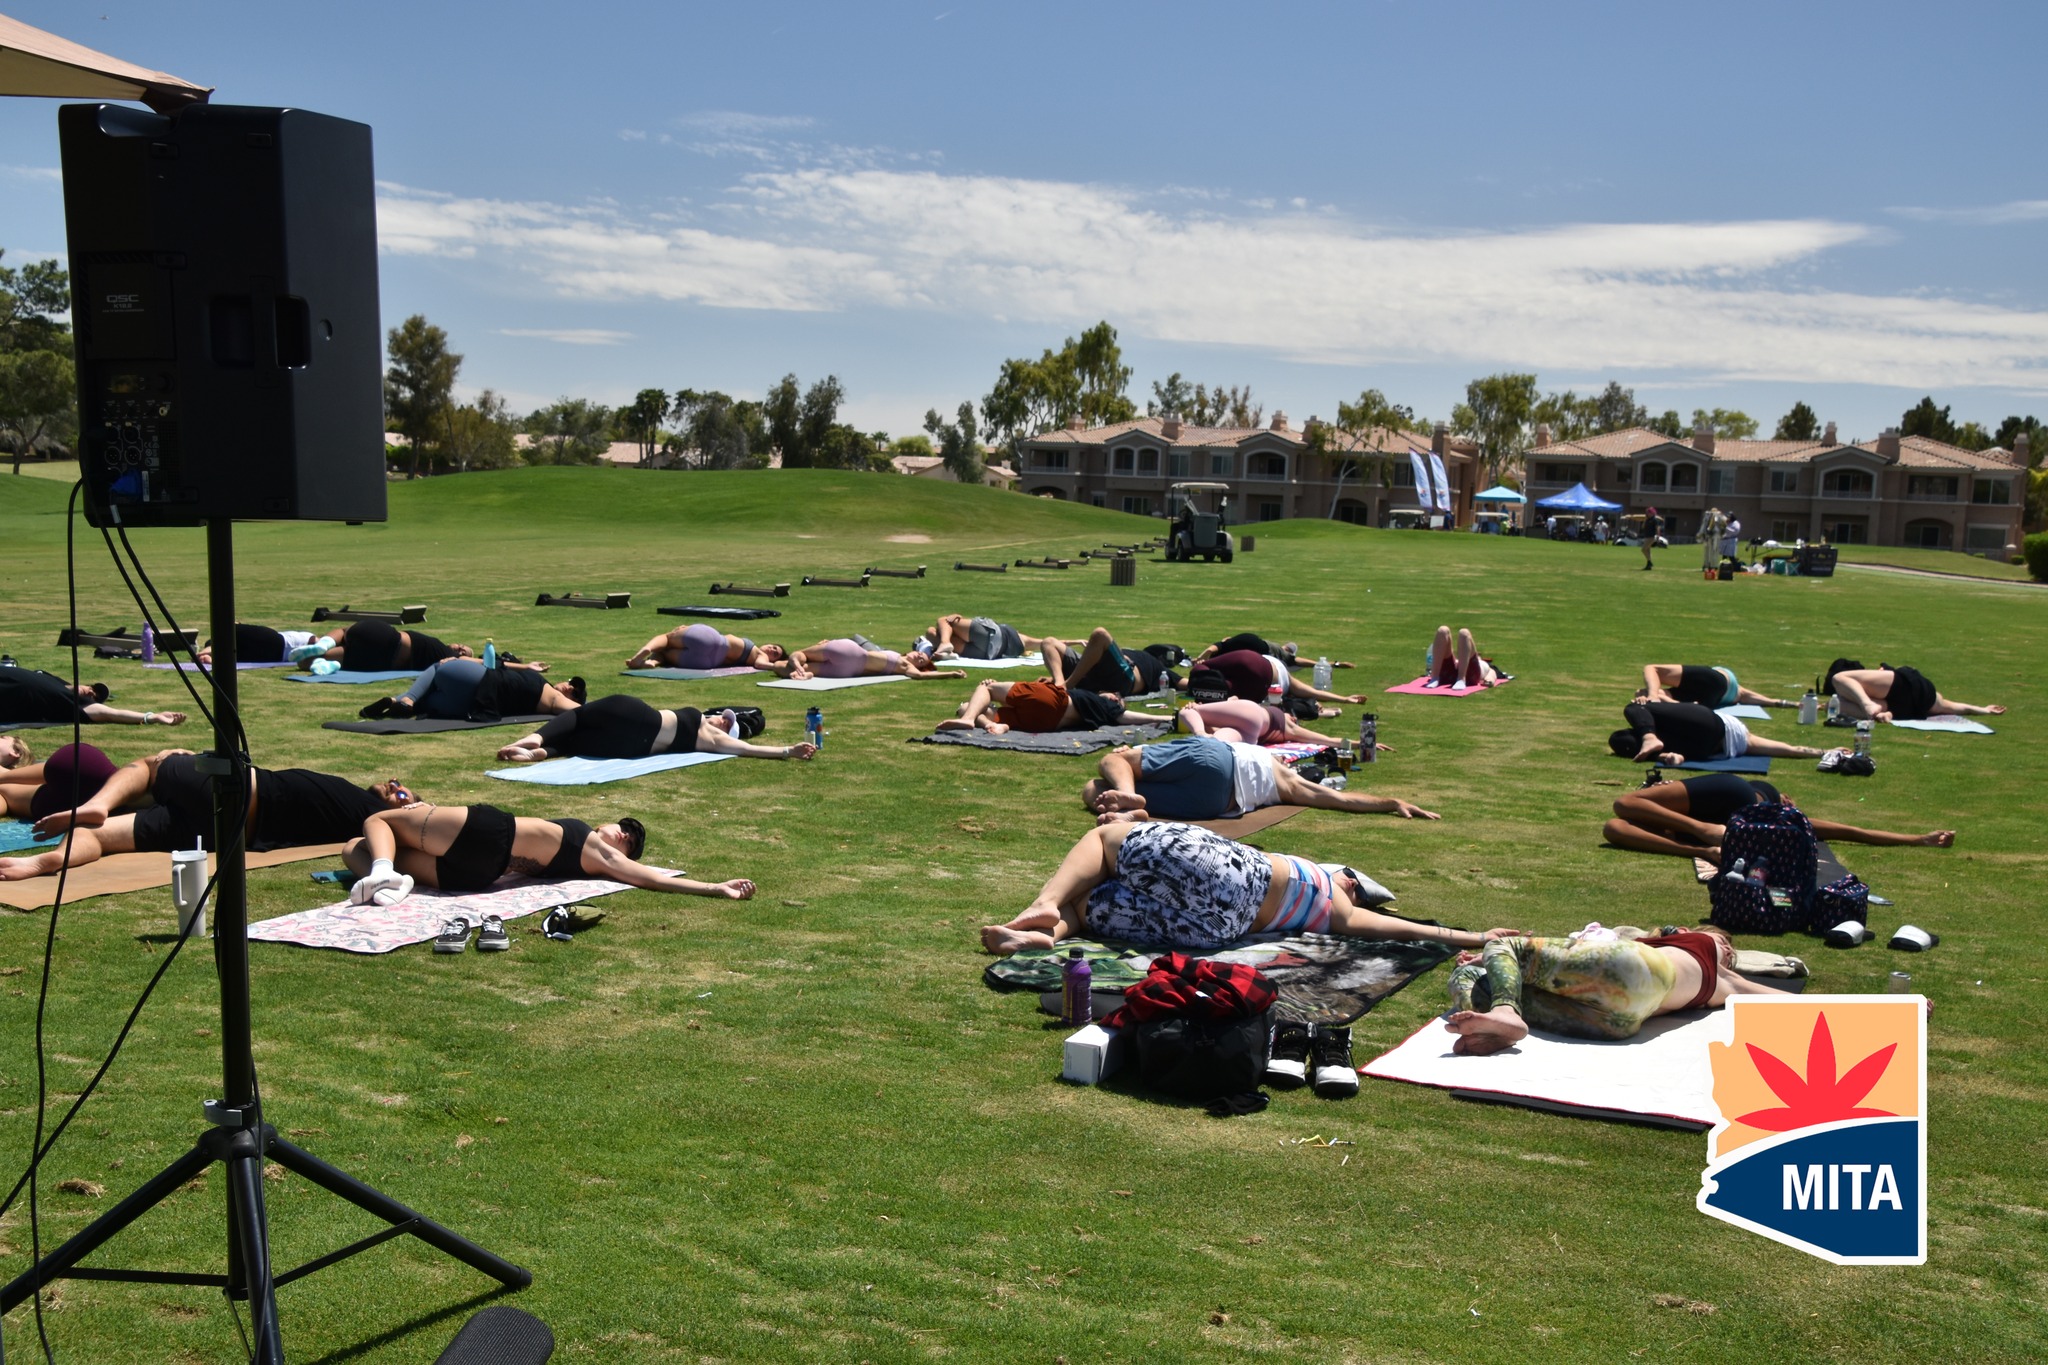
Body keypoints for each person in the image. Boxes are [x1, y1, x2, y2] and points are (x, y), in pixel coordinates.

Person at [979, 821, 1517, 955]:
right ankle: (1048, 934)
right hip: (1220, 930)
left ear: (1348, 878)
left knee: (1106, 839)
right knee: (1090, 905)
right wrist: (1470, 937)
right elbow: (1402, 930)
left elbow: (1397, 923)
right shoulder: (1335, 915)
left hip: (1238, 872)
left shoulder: (1329, 883)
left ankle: (1043, 905)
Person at [2, 749, 415, 880]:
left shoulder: (377, 813)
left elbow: (426, 819)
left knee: (153, 763)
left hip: (236, 790)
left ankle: (99, 804)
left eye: (400, 791)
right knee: (102, 836)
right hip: (226, 833)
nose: (392, 785)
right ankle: (49, 860)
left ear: (409, 807)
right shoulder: (359, 818)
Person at [1444, 925, 1796, 1055]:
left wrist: (1500, 956)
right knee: (1467, 976)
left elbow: (1588, 950)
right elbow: (1785, 1001)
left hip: (1639, 969)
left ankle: (1505, 1012)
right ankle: (1497, 1029)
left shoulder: (1692, 943)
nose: (1728, 948)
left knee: (1504, 945)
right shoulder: (1722, 985)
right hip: (1620, 1023)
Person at [345, 803, 754, 900]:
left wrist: (713, 887)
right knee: (352, 848)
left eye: (628, 841)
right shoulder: (587, 862)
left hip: (490, 832)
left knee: (379, 820)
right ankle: (389, 882)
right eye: (623, 829)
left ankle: (381, 872)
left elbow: (648, 877)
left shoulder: (597, 850)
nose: (621, 835)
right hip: (476, 875)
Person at [1602, 772, 1957, 865]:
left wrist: (1917, 838)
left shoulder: (1771, 807)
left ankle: (1703, 833)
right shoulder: (1780, 818)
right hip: (1742, 816)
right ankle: (1703, 849)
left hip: (1732, 797)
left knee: (1623, 805)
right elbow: (1849, 831)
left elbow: (1626, 802)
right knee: (1613, 827)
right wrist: (1917, 839)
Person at [1082, 735, 1437, 825]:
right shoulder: (1292, 787)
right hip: (1216, 803)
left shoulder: (1260, 752)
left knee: (1111, 762)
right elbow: (1342, 800)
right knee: (1094, 791)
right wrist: (1392, 802)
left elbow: (1209, 738)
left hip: (1216, 756)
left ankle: (1127, 794)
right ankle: (1130, 810)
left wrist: (1129, 755)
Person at [495, 694, 815, 763]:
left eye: (727, 723)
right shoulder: (707, 734)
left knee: (579, 716)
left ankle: (532, 738)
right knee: (573, 743)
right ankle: (538, 753)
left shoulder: (712, 737)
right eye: (724, 717)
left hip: (638, 719)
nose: (721, 718)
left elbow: (747, 749)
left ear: (726, 730)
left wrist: (787, 750)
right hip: (627, 749)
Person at [1609, 700, 1833, 767]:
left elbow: (1790, 750)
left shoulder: (1744, 740)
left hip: (1695, 748)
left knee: (1625, 731)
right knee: (1629, 718)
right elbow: (1790, 750)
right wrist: (1823, 751)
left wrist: (1824, 751)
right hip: (1706, 733)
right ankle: (1652, 742)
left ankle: (1657, 749)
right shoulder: (1745, 739)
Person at [361, 660, 585, 722]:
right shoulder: (536, 680)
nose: (570, 687)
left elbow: (580, 710)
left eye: (575, 692)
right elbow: (498, 663)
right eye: (571, 682)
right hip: (472, 706)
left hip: (481, 683)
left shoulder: (552, 696)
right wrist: (526, 666)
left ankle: (404, 699)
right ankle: (399, 703)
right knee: (428, 702)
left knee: (438, 668)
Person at [936, 679, 1152, 735]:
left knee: (988, 688)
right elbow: (1123, 717)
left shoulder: (1104, 702)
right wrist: (1164, 719)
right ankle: (989, 724)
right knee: (966, 706)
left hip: (1054, 700)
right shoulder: (1102, 712)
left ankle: (969, 720)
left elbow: (1125, 714)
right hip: (1047, 723)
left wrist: (1164, 719)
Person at [0, 666, 186, 729]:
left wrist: (152, 717)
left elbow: (110, 714)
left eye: (94, 697)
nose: (91, 692)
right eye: (92, 688)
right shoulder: (55, 680)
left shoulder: (71, 703)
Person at [1173, 697, 1374, 751]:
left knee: (1187, 711)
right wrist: (1364, 744)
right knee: (1215, 744)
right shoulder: (1290, 731)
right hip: (1251, 735)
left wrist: (1199, 709)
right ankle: (1202, 737)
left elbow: (1329, 740)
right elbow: (1329, 741)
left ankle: (1199, 732)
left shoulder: (1290, 726)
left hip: (1251, 713)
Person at [1186, 647, 1367, 707]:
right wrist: (1344, 699)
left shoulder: (1285, 675)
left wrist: (1344, 699)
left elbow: (1309, 692)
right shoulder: (1287, 683)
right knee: (1220, 695)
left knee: (1204, 679)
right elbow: (1310, 692)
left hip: (1253, 664)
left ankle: (1199, 690)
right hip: (1257, 671)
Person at [295, 621, 501, 673]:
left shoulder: (446, 653)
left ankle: (323, 643)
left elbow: (485, 663)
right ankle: (326, 662)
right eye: (462, 646)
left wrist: (514, 665)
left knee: (344, 630)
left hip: (383, 638)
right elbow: (486, 663)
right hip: (380, 660)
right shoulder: (440, 653)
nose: (461, 650)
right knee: (305, 662)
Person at [1825, 665, 2006, 723]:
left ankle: (1873, 707)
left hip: (1904, 702)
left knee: (1838, 683)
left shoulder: (1865, 683)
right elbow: (1952, 707)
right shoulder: (1933, 700)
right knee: (1836, 698)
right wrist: (1984, 710)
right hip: (1915, 702)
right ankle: (1878, 711)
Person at [1040, 629, 1175, 696]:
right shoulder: (1131, 652)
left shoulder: (1156, 665)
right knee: (1048, 642)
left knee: (1100, 634)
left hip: (1118, 679)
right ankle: (1059, 683)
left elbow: (1183, 683)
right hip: (1090, 674)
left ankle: (1067, 685)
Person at [777, 639, 964, 681]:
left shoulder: (905, 665)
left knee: (800, 654)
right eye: (920, 654)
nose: (918, 656)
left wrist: (951, 674)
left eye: (921, 661)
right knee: (781, 668)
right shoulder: (894, 656)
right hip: (846, 672)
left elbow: (920, 676)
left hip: (849, 653)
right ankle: (796, 670)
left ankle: (796, 664)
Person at [629, 624, 788, 672]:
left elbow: (760, 664)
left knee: (667, 638)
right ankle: (652, 662)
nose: (772, 650)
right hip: (706, 662)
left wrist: (776, 666)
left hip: (711, 640)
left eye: (775, 653)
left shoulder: (760, 655)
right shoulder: (752, 656)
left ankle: (646, 650)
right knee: (665, 653)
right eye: (774, 646)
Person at [1638, 664, 1793, 710]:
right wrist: (1779, 702)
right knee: (1644, 690)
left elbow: (1652, 669)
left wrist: (1653, 695)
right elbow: (1758, 698)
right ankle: (1660, 699)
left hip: (1708, 695)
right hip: (1713, 689)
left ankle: (1663, 699)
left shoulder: (1736, 693)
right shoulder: (1736, 692)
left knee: (1644, 689)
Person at [911, 615, 1061, 662]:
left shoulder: (1019, 638)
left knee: (942, 622)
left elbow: (1047, 643)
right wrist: (1072, 643)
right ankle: (945, 646)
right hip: (986, 654)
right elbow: (1048, 643)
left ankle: (944, 644)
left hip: (988, 638)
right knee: (934, 630)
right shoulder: (1021, 642)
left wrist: (957, 617)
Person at [1191, 634, 1353, 670]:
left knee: (1292, 661)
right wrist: (1200, 659)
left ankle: (1333, 664)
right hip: (1258, 645)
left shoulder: (1223, 648)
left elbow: (1210, 650)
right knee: (1290, 660)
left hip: (1263, 647)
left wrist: (1200, 659)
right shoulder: (1225, 646)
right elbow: (1210, 650)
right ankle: (1333, 664)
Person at [194, 623, 322, 666]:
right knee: (234, 649)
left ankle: (209, 653)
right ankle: (209, 654)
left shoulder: (312, 639)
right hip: (274, 652)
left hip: (277, 643)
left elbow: (317, 641)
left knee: (228, 631)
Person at [1423, 626, 1504, 690]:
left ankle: (1461, 679)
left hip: (1470, 677)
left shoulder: (1486, 666)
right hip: (1450, 674)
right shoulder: (1461, 661)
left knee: (1464, 633)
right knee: (1442, 630)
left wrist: (1489, 680)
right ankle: (1435, 677)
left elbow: (1492, 674)